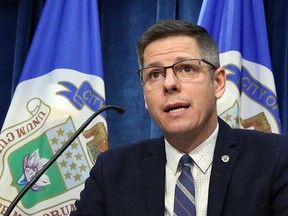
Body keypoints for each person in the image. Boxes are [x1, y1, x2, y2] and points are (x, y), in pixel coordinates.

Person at [70, 19, 288, 216]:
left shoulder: (275, 159)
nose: (169, 84)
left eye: (186, 69)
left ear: (218, 82)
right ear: (145, 95)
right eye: (155, 74)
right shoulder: (112, 170)